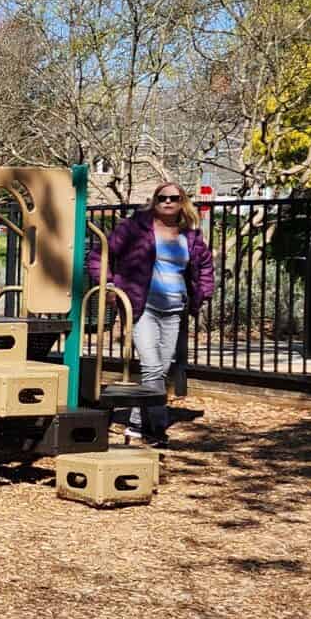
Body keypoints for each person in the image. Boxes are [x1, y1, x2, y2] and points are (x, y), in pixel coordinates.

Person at [93, 181, 215, 444]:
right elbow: (99, 256)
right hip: (142, 307)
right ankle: (157, 429)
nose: (168, 202)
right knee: (151, 366)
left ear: (182, 202)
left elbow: (205, 265)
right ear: (154, 201)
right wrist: (110, 286)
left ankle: (137, 423)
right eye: (162, 198)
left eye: (174, 198)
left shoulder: (190, 235)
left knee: (160, 370)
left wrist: (203, 292)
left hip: (174, 309)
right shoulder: (134, 229)